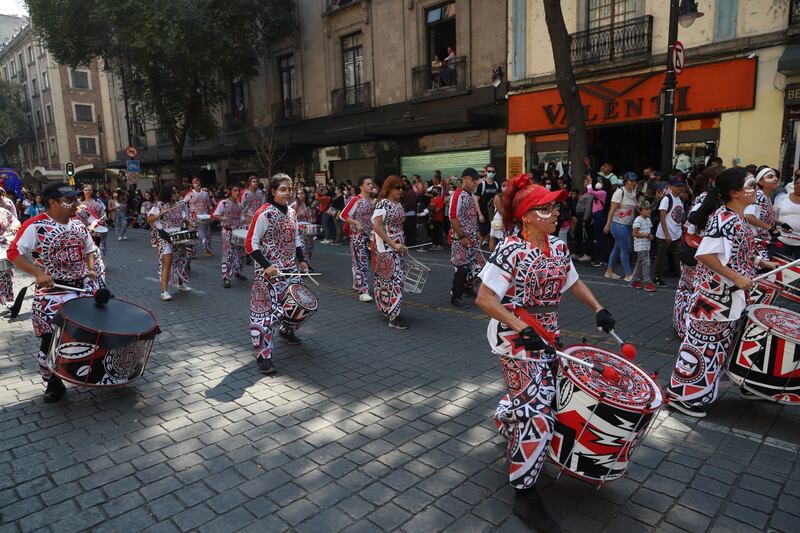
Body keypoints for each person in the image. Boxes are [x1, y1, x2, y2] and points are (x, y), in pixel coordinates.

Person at [475, 174, 615, 529]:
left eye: (554, 207)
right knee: (539, 412)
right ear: (525, 216)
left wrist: (598, 308)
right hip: (516, 340)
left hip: (548, 338)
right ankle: (524, 492)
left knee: (544, 400)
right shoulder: (509, 249)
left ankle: (508, 417)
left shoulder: (559, 247)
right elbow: (485, 299)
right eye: (546, 208)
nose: (555, 213)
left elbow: (574, 282)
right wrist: (523, 328)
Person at [667, 167, 777, 417]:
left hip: (726, 300)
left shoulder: (736, 218)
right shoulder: (725, 218)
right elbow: (704, 254)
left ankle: (697, 396)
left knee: (715, 351)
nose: (755, 190)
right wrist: (737, 277)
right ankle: (685, 399)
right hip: (713, 301)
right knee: (701, 350)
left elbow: (736, 252)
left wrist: (761, 264)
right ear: (735, 193)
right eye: (750, 186)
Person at [7, 184, 97, 402]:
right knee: (51, 340)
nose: (75, 203)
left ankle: (89, 372)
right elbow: (13, 252)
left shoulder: (78, 224)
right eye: (69, 200)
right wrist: (37, 273)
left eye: (75, 199)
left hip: (81, 289)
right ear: (53, 203)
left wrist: (92, 269)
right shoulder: (35, 226)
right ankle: (54, 383)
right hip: (52, 294)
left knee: (90, 335)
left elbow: (89, 249)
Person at [244, 173, 309, 375]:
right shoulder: (264, 213)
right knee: (264, 316)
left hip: (290, 270)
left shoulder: (291, 212)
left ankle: (287, 331)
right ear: (273, 191)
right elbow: (250, 243)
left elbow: (296, 239)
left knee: (297, 306)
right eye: (283, 189)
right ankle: (263, 356)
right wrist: (266, 265)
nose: (287, 193)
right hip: (269, 274)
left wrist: (302, 259)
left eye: (290, 189)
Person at [371, 175, 409, 329]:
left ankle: (390, 309)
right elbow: (377, 227)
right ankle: (393, 316)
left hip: (398, 248)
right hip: (387, 248)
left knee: (392, 281)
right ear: (389, 188)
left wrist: (400, 244)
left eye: (402, 188)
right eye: (397, 187)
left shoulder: (398, 204)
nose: (400, 191)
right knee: (394, 281)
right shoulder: (382, 204)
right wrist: (393, 243)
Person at [147, 185, 192, 301]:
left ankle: (181, 284)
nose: (176, 194)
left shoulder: (178, 204)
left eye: (176, 192)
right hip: (165, 237)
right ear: (167, 193)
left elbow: (183, 219)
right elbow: (149, 219)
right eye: (173, 192)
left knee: (181, 260)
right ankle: (164, 291)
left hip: (178, 236)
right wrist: (159, 214)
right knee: (167, 263)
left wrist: (189, 223)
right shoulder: (159, 205)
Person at [450, 168, 485, 308]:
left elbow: (471, 217)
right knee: (462, 268)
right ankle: (455, 296)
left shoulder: (469, 195)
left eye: (476, 180)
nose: (476, 182)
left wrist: (476, 231)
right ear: (465, 179)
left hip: (471, 239)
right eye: (473, 180)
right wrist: (462, 237)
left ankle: (467, 288)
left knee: (479, 267)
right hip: (461, 240)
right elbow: (453, 217)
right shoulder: (457, 194)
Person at [340, 176, 376, 302]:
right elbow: (343, 214)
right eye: (368, 184)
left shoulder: (371, 200)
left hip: (370, 236)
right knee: (362, 263)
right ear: (361, 186)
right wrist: (355, 222)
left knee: (364, 263)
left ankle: (358, 282)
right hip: (358, 237)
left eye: (372, 183)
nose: (371, 186)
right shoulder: (356, 199)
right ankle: (363, 291)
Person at [604, 172, 638, 280]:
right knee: (625, 248)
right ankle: (628, 274)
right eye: (631, 181)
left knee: (617, 248)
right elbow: (612, 210)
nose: (633, 183)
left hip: (628, 224)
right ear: (626, 181)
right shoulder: (619, 192)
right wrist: (607, 224)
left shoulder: (633, 192)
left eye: (634, 180)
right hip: (618, 224)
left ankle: (609, 271)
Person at [212, 185, 247, 288]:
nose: (237, 192)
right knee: (228, 254)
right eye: (235, 190)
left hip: (238, 231)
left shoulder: (240, 205)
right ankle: (226, 277)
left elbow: (241, 219)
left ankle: (238, 272)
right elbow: (215, 215)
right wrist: (223, 217)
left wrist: (249, 219)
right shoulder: (224, 203)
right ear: (230, 191)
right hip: (227, 231)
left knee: (241, 253)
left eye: (238, 190)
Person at [653, 177, 686, 285]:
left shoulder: (680, 199)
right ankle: (656, 277)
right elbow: (662, 218)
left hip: (676, 234)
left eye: (680, 186)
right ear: (670, 187)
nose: (679, 188)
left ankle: (682, 278)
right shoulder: (667, 199)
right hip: (664, 235)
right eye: (676, 186)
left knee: (678, 257)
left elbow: (680, 216)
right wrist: (667, 235)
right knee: (661, 257)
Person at [744, 166, 779, 259]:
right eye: (770, 177)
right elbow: (748, 216)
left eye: (775, 176)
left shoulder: (766, 196)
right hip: (757, 241)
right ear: (760, 181)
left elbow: (763, 217)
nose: (776, 179)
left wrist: (781, 223)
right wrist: (770, 228)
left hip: (763, 239)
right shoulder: (759, 196)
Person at [185, 177, 215, 257]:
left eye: (198, 182)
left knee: (207, 234)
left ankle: (207, 249)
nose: (197, 183)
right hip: (194, 217)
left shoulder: (205, 193)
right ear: (192, 184)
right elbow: (184, 204)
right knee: (193, 234)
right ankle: (192, 251)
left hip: (204, 216)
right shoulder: (190, 194)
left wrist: (210, 210)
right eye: (195, 182)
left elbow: (209, 204)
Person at [630, 201, 655, 292]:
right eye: (646, 209)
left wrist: (649, 236)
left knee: (640, 264)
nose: (649, 211)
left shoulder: (648, 220)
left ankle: (634, 280)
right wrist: (647, 235)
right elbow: (634, 233)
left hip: (646, 245)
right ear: (640, 211)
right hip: (640, 246)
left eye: (649, 209)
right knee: (646, 263)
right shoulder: (638, 220)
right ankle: (647, 283)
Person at [775, 172, 800, 259]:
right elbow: (772, 217)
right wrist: (781, 224)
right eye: (797, 183)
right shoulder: (782, 198)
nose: (799, 185)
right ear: (793, 185)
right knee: (780, 267)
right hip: (783, 240)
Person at [0, 205, 20, 308]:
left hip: (2, 247)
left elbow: (15, 222)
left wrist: (14, 227)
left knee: (6, 275)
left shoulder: (3, 212)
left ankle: (8, 299)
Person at [586, 177, 609, 267]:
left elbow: (590, 191)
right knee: (598, 238)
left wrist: (590, 182)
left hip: (600, 216)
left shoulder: (602, 193)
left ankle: (602, 259)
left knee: (600, 238)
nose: (599, 183)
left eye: (601, 182)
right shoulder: (598, 195)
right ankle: (601, 258)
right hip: (596, 216)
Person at [474, 164, 499, 248]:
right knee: (483, 234)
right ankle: (478, 251)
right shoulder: (482, 185)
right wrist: (480, 214)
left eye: (493, 171)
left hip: (493, 215)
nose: (491, 173)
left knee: (493, 234)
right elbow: (476, 200)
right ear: (486, 172)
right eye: (489, 171)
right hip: (483, 215)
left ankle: (489, 252)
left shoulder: (496, 184)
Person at [80, 185, 108, 256]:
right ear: (83, 191)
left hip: (96, 227)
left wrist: (102, 220)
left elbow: (103, 213)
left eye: (90, 190)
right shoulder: (80, 203)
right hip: (85, 228)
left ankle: (98, 262)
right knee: (87, 246)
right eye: (86, 190)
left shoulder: (98, 202)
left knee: (97, 245)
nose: (88, 191)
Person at [292, 187, 316, 261]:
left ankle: (307, 260)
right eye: (298, 194)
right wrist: (298, 214)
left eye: (302, 193)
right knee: (303, 246)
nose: (300, 195)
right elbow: (291, 216)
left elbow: (312, 217)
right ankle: (305, 263)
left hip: (309, 227)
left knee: (310, 246)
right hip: (300, 227)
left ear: (305, 194)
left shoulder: (309, 204)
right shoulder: (295, 205)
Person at [489, 181, 507, 252]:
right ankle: (492, 253)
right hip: (498, 220)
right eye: (503, 185)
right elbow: (500, 211)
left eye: (507, 185)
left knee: (502, 238)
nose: (506, 187)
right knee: (493, 237)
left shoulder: (509, 196)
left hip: (504, 220)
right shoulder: (498, 196)